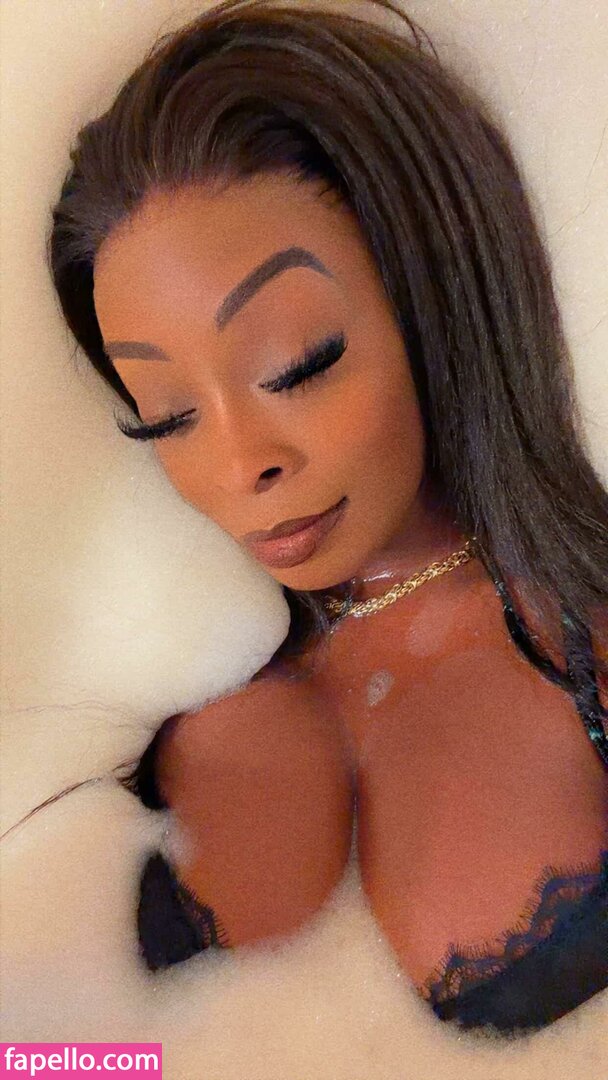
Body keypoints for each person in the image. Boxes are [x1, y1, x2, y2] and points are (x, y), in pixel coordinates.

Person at [47, 0, 607, 1038]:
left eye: (296, 365)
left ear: (439, 301)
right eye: (166, 416)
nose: (238, 465)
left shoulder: (580, 646)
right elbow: (58, 1053)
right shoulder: (174, 701)